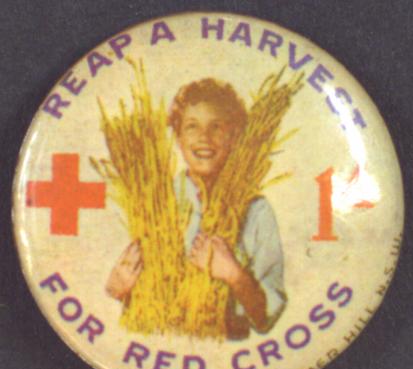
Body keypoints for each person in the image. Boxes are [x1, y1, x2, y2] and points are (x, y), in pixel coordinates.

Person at [106, 79, 287, 339]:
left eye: (217, 127)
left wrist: (233, 274)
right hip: (159, 344)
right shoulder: (153, 201)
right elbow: (139, 301)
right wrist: (118, 289)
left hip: (225, 353)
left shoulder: (256, 211)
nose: (204, 138)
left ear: (234, 136)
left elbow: (265, 319)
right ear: (178, 137)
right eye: (192, 126)